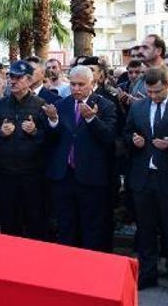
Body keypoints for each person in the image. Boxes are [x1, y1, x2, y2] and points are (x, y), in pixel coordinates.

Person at [123, 67, 168, 299]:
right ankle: (147, 274)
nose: (152, 96)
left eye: (157, 91)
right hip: (142, 177)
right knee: (146, 230)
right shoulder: (138, 106)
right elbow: (127, 131)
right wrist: (133, 140)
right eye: (149, 91)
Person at [44, 65, 118, 252]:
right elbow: (51, 142)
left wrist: (92, 120)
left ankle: (90, 273)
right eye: (73, 84)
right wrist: (52, 122)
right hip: (64, 177)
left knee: (92, 229)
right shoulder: (61, 105)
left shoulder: (105, 105)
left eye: (81, 84)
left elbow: (109, 138)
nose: (76, 88)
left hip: (91, 178)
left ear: (92, 84)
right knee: (66, 227)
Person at [0, 60, 48, 238]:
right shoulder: (0, 105)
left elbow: (52, 140)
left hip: (32, 176)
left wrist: (35, 132)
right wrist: (0, 133)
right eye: (11, 77)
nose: (13, 81)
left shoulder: (41, 104)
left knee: (35, 222)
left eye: (18, 77)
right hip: (5, 175)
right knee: (9, 223)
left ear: (29, 80)